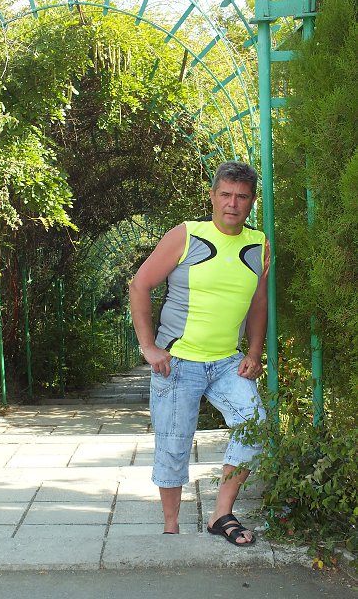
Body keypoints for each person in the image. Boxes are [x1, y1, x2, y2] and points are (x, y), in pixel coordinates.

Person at [129, 161, 269, 546]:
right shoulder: (187, 235)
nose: (232, 203)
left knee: (255, 424)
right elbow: (140, 285)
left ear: (251, 202)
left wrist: (254, 351)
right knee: (174, 443)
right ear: (212, 196)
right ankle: (171, 528)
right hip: (178, 362)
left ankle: (221, 514)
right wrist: (148, 346)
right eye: (225, 194)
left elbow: (258, 302)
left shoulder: (259, 244)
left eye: (241, 197)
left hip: (227, 362)